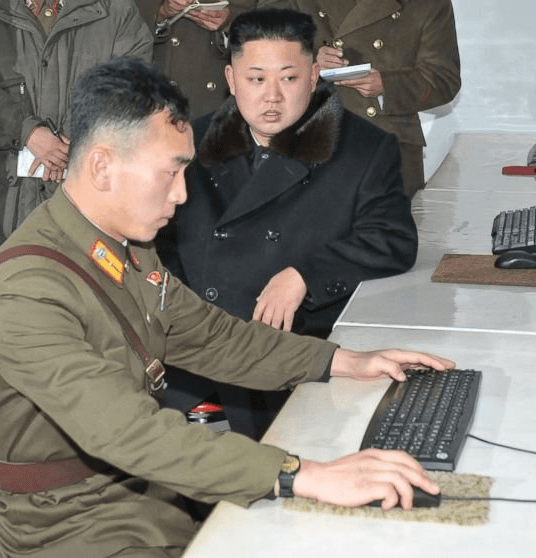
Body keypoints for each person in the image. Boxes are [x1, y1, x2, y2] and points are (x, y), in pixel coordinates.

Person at [0, 56, 454, 558]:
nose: (181, 194)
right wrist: (301, 475)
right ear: (103, 167)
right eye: (170, 172)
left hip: (143, 490)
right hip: (69, 522)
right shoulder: (27, 291)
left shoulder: (123, 247)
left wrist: (341, 361)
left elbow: (213, 338)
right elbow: (127, 432)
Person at [156, 7, 417, 439]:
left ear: (314, 77)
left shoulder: (364, 148)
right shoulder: (189, 143)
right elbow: (155, 242)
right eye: (256, 79)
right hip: (194, 356)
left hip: (292, 359)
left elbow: (391, 240)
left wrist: (304, 276)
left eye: (289, 78)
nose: (272, 97)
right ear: (231, 79)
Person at [0, 0, 153, 250]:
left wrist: (74, 138)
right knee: (16, 272)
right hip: (9, 203)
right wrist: (28, 133)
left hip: (91, 203)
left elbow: (132, 83)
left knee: (88, 273)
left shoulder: (117, 10)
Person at [284, 0, 462, 197]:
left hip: (387, 147)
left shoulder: (427, 4)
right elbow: (263, 59)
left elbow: (444, 80)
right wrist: (311, 62)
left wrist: (387, 85)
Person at [137, 0, 257, 118]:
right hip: (155, 85)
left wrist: (230, 21)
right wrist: (160, 11)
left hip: (212, 86)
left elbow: (253, 12)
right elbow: (131, 15)